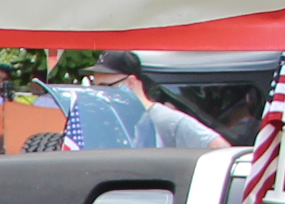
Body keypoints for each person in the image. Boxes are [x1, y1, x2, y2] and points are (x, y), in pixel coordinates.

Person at [73, 50, 227, 150]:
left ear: (131, 83)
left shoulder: (167, 120)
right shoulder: (112, 121)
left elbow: (220, 148)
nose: (99, 93)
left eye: (105, 86)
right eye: (94, 86)